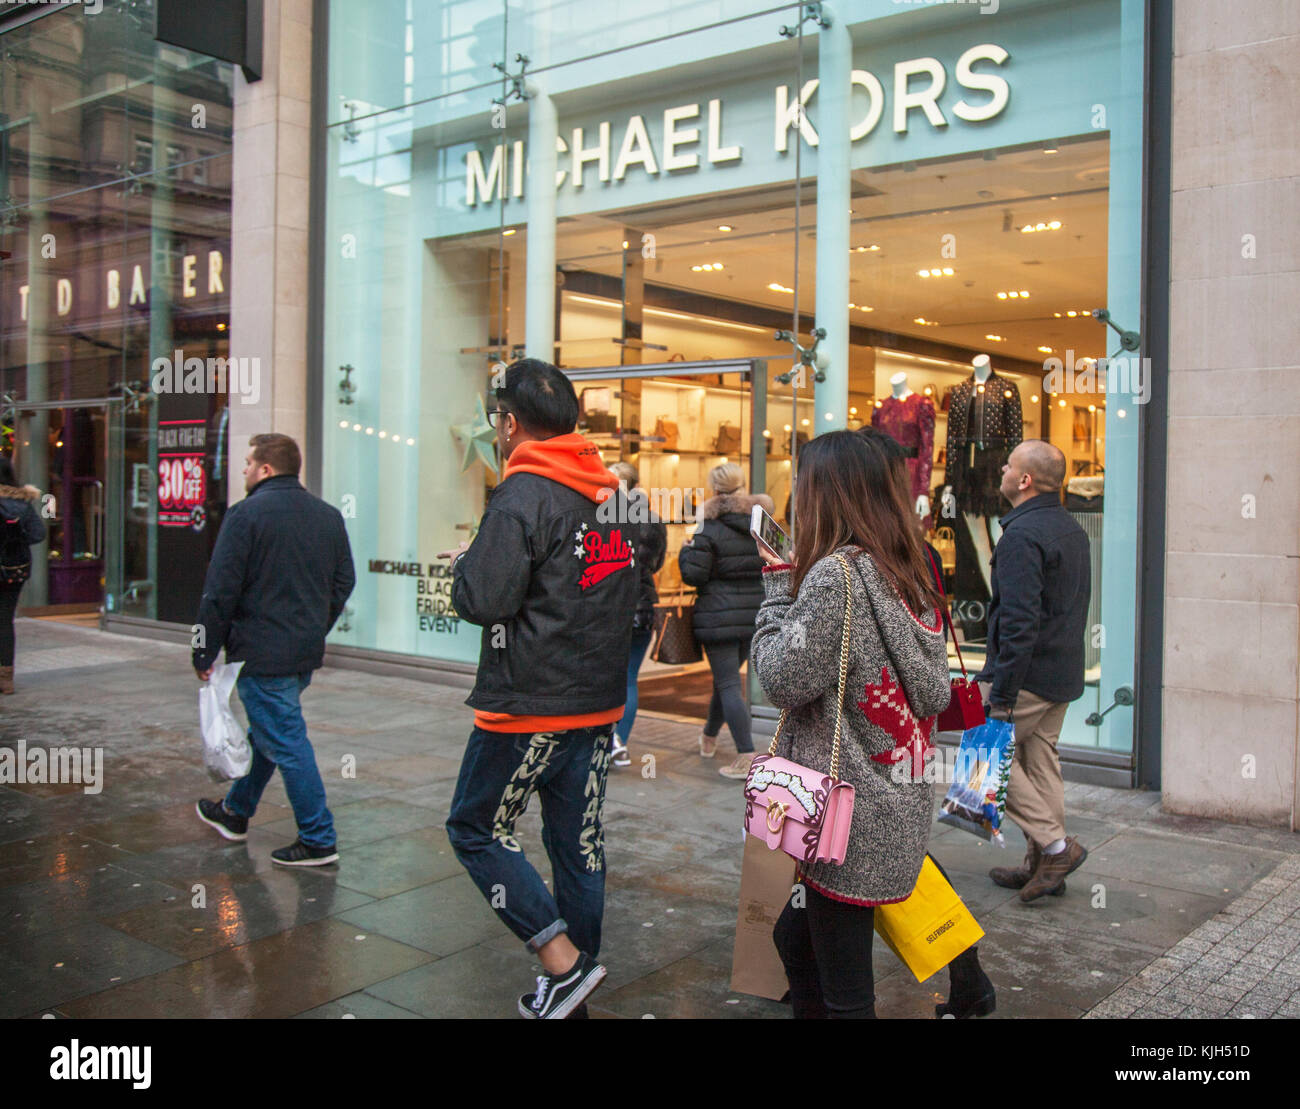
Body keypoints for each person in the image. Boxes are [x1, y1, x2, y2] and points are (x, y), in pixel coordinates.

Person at [443, 359, 638, 1020]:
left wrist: (468, 564)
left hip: (529, 702)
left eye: (499, 420)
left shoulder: (522, 494)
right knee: (577, 844)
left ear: (510, 424)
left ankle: (562, 962)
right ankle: (570, 992)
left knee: (475, 826)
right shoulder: (609, 494)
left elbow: (485, 597)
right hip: (596, 703)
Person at [751, 430, 953, 1019]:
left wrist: (774, 586)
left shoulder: (834, 577)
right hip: (894, 800)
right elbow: (931, 685)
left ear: (826, 495)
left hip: (842, 817)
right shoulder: (907, 564)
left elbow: (780, 678)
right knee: (798, 941)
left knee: (846, 991)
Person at [855, 426, 999, 1016]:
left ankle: (968, 980)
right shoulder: (917, 552)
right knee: (898, 859)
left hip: (873, 738)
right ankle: (969, 982)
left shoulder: (863, 563)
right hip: (903, 733)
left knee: (892, 863)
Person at [192, 433, 356, 867]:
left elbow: (219, 591)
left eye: (248, 462)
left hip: (260, 652)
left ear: (266, 469)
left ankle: (318, 838)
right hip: (301, 651)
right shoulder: (327, 516)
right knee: (270, 732)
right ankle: (235, 812)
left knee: (286, 739)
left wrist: (202, 649)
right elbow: (345, 582)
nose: (243, 469)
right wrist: (315, 625)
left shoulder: (245, 516)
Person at [975, 439, 1091, 901]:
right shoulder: (1068, 526)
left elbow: (1019, 623)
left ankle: (1057, 849)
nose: (1001, 469)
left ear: (1023, 481)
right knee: (1040, 763)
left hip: (1026, 677)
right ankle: (1044, 866)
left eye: (1008, 465)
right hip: (1060, 672)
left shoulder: (1021, 536)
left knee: (985, 760)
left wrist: (1001, 695)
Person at [678, 462, 772, 779]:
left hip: (718, 617)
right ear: (742, 485)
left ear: (714, 489)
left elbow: (694, 575)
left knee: (729, 683)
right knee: (727, 682)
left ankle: (746, 755)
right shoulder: (760, 524)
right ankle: (708, 735)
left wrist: (684, 552)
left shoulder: (707, 528)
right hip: (753, 615)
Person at [607, 461, 667, 769]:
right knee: (629, 677)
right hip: (643, 605)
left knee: (607, 676)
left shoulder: (604, 517)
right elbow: (655, 565)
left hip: (610, 605)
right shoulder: (653, 521)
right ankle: (619, 741)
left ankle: (610, 741)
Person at [0, 456, 46, 696]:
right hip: (15, 569)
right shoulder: (22, 502)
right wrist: (16, 540)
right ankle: (6, 679)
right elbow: (39, 534)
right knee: (5, 621)